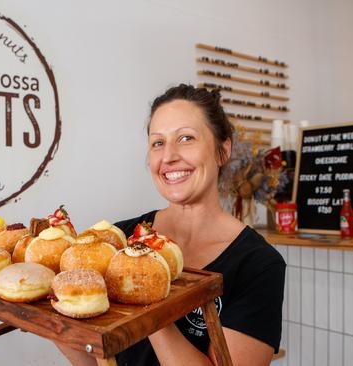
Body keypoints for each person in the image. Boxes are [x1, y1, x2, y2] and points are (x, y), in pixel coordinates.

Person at [56, 84, 285, 366]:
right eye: (158, 143)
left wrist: (148, 299)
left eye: (186, 138)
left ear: (222, 151)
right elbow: (95, 361)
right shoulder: (118, 239)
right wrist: (53, 311)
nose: (168, 156)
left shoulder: (257, 263)